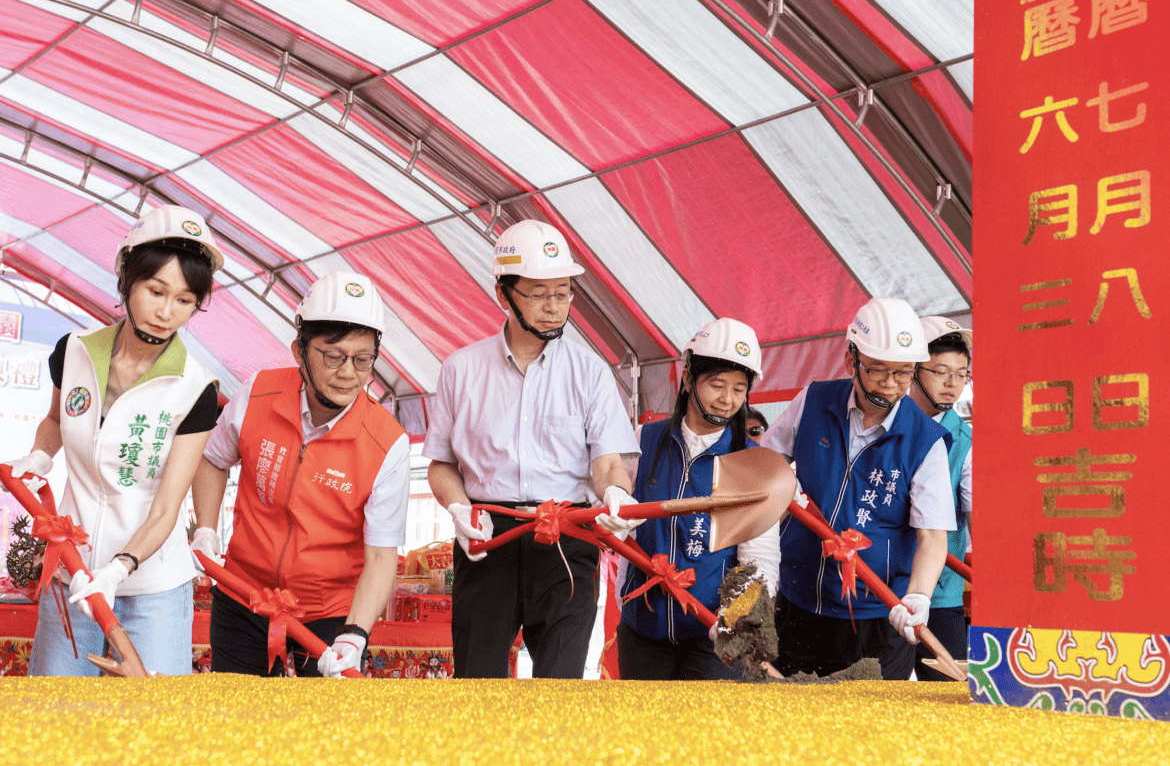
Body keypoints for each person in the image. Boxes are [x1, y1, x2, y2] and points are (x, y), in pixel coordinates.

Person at [1, 205, 222, 676]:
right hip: (72, 571)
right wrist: (41, 454)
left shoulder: (196, 389)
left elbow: (166, 508)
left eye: (184, 300)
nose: (167, 312)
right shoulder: (75, 351)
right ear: (126, 279)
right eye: (155, 291)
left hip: (152, 587)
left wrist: (119, 569)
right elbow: (57, 421)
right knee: (57, 719)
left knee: (151, 732)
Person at [424, 219, 640, 679]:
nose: (554, 307)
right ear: (503, 295)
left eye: (563, 293)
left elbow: (607, 460)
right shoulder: (461, 369)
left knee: (559, 689)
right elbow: (441, 463)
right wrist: (459, 507)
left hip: (567, 536)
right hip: (487, 537)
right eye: (539, 294)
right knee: (477, 683)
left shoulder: (590, 372)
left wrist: (616, 492)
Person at [191, 270, 409, 678]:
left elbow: (381, 556)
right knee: (233, 723)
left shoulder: (386, 442)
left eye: (363, 360)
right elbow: (212, 459)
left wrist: (355, 635)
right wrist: (205, 528)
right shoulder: (258, 393)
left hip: (330, 613)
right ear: (299, 351)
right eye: (334, 356)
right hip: (244, 597)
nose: (349, 374)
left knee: (323, 735)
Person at [758, 297, 956, 680]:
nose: (891, 383)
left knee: (871, 732)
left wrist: (917, 596)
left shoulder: (926, 440)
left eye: (903, 373)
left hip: (877, 617)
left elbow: (933, 535)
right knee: (788, 725)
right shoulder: (813, 401)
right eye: (878, 370)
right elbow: (766, 463)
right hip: (799, 602)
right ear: (852, 361)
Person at [617, 318, 780, 680]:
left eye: (739, 389)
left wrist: (736, 616)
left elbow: (761, 561)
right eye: (717, 384)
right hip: (642, 630)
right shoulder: (643, 440)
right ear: (688, 378)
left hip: (713, 637)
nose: (727, 400)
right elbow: (613, 522)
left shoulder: (752, 464)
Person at [908, 316, 973, 681]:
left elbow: (978, 518)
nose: (953, 384)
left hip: (939, 594)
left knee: (948, 695)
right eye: (941, 371)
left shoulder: (965, 442)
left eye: (962, 374)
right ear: (913, 370)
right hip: (872, 589)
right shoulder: (884, 422)